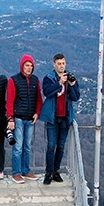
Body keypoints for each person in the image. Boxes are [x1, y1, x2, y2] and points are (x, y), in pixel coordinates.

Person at [38, 53, 81, 184]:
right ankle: (48, 172)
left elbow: (75, 97)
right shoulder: (49, 78)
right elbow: (47, 93)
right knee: (51, 146)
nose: (61, 66)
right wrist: (59, 83)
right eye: (59, 63)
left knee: (61, 146)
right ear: (54, 64)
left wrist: (72, 84)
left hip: (65, 118)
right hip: (52, 117)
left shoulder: (70, 78)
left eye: (63, 63)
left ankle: (56, 171)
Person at [5, 54, 42, 182]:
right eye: (27, 65)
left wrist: (37, 113)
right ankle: (16, 172)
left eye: (31, 66)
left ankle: (26, 171)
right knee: (18, 146)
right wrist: (10, 118)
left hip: (30, 118)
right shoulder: (13, 80)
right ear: (22, 66)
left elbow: (38, 99)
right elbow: (9, 101)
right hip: (18, 118)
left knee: (27, 146)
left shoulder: (35, 80)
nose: (29, 68)